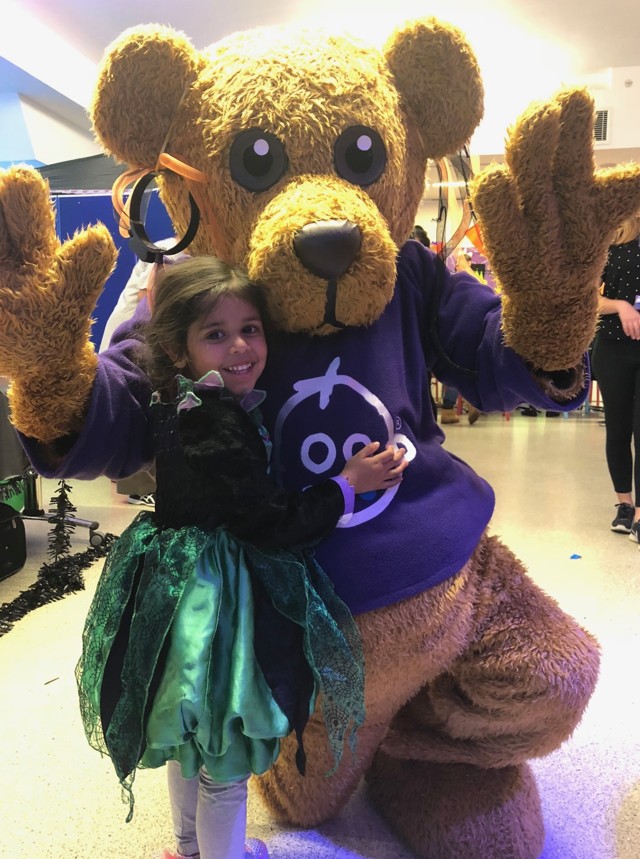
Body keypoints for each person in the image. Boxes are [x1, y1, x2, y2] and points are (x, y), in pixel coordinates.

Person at [75, 256, 408, 859]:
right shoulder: (220, 426)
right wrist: (346, 483)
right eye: (216, 334)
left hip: (175, 589)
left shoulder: (176, 403)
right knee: (223, 760)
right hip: (217, 604)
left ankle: (187, 849)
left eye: (250, 328)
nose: (240, 347)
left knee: (188, 740)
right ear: (181, 351)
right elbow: (273, 523)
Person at [591, 213, 640, 541]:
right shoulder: (612, 241)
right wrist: (621, 305)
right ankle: (625, 504)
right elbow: (589, 298)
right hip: (613, 346)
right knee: (618, 430)